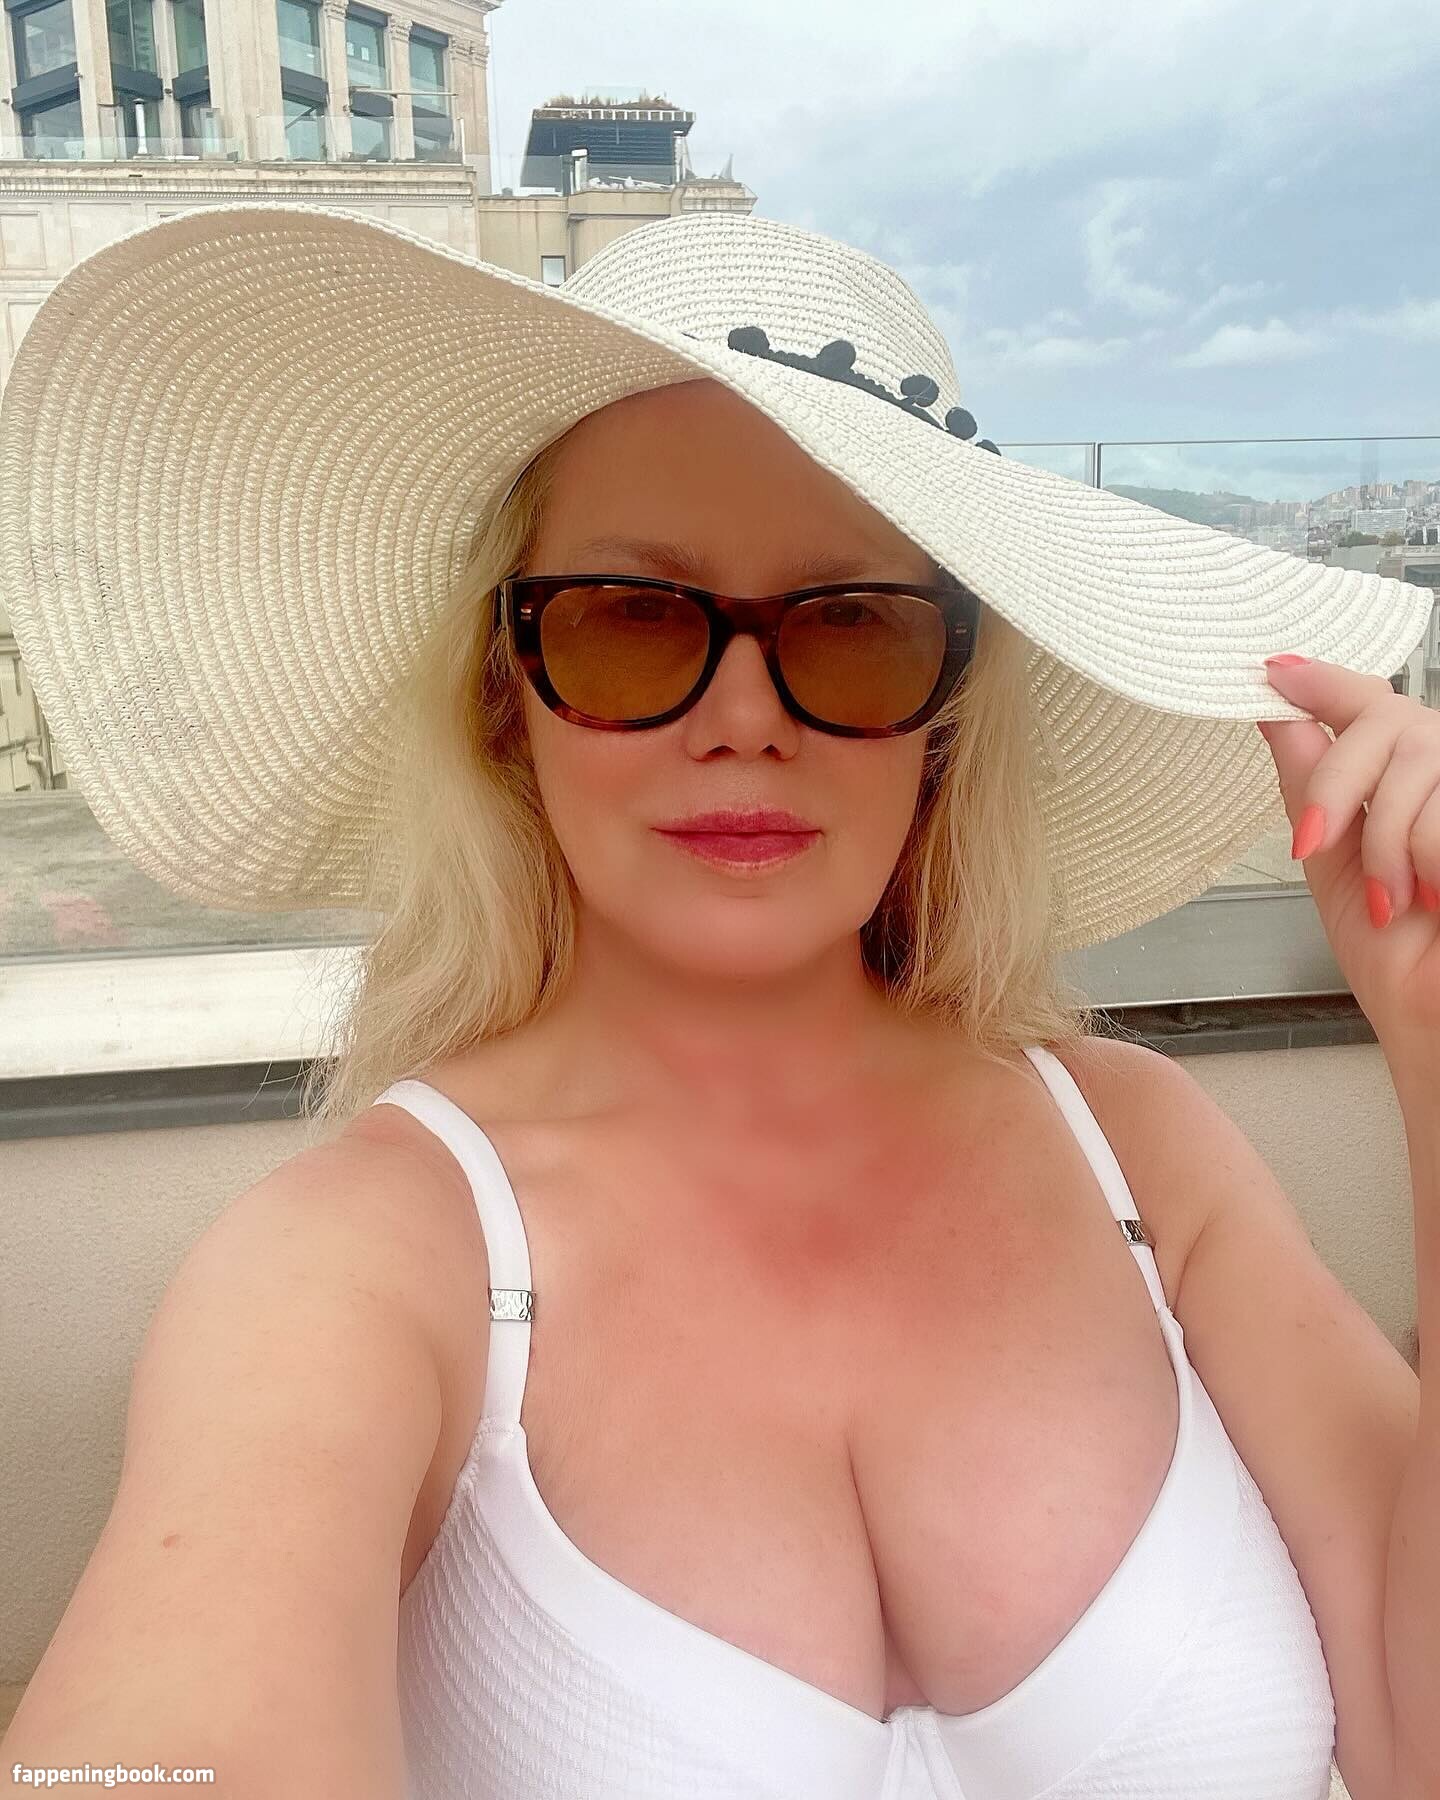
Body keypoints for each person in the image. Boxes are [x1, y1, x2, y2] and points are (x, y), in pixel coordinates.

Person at [0, 205, 1432, 1800]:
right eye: (632, 616)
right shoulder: (365, 1259)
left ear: (945, 713)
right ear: (508, 693)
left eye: (851, 626)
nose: (745, 716)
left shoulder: (1142, 1149)